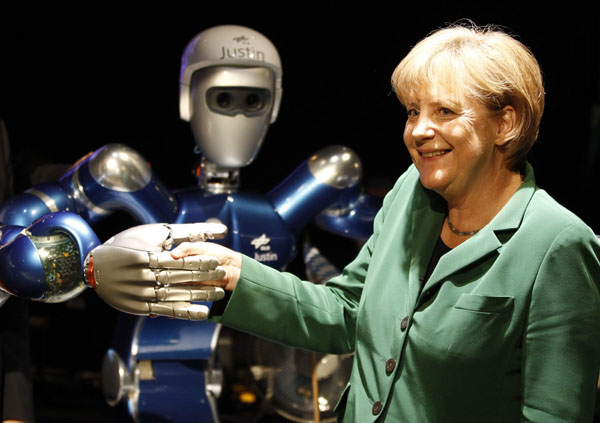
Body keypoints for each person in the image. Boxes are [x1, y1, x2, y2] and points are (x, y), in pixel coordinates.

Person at [91, 23, 600, 422]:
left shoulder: (557, 244)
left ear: (505, 123)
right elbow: (346, 312)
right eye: (411, 111)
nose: (420, 130)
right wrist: (233, 274)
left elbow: (554, 413)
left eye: (444, 111)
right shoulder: (408, 195)